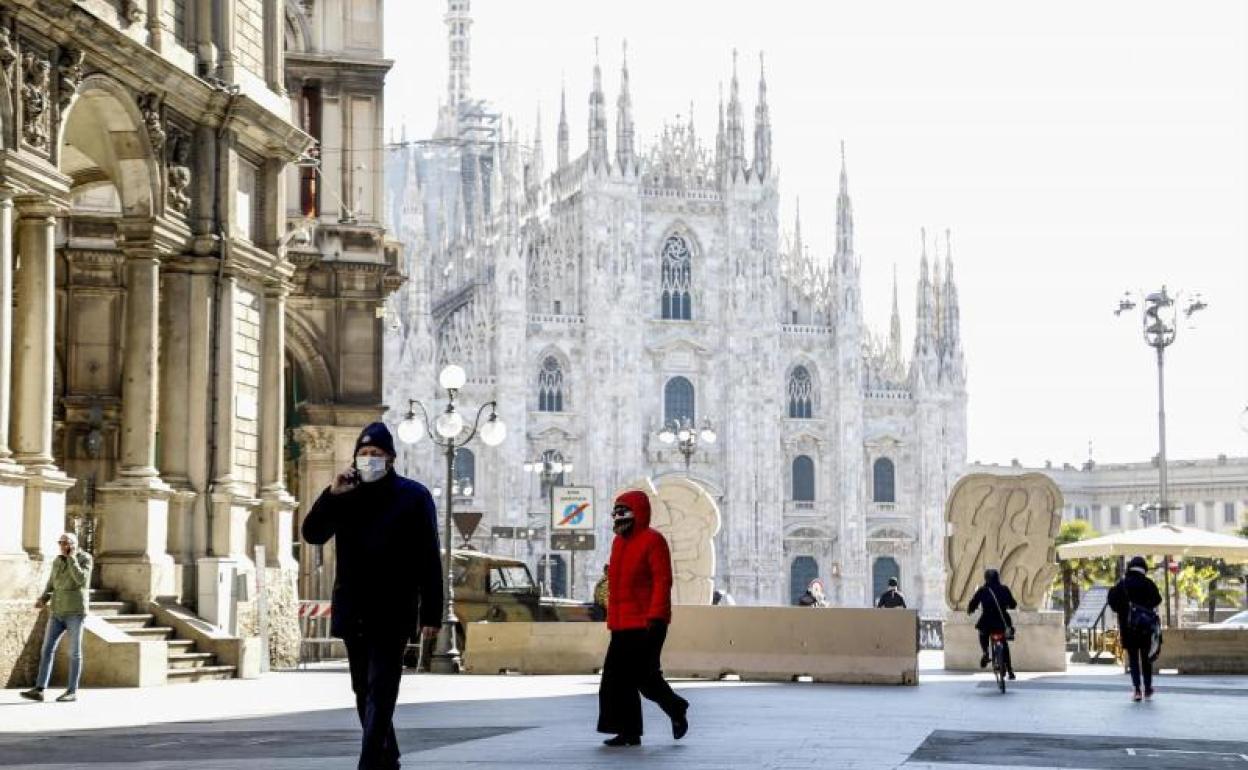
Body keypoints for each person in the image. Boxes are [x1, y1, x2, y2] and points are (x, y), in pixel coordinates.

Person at [302, 422, 444, 770]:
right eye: (363, 454)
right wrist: (330, 495)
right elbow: (312, 534)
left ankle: (369, 763)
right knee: (361, 689)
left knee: (381, 689)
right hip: (354, 607)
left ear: (391, 459)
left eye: (376, 454)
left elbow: (429, 556)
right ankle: (388, 755)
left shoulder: (414, 496)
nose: (369, 459)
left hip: (393, 609)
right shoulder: (345, 495)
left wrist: (431, 613)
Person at [597, 490, 689, 747]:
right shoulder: (618, 543)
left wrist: (657, 617)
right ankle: (628, 731)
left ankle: (676, 708)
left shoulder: (653, 540)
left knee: (644, 677)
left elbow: (662, 581)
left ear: (638, 513)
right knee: (615, 681)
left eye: (623, 512)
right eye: (615, 512)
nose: (617, 517)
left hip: (647, 622)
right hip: (621, 623)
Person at [21, 533, 92, 703]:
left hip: (75, 612)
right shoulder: (57, 560)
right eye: (60, 542)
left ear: (73, 544)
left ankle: (72, 691)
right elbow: (51, 582)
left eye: (64, 543)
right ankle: (39, 689)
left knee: (74, 653)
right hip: (57, 611)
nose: (61, 545)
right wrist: (44, 598)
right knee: (47, 650)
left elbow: (81, 580)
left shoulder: (85, 558)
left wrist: (72, 558)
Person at [1107, 555, 1163, 702]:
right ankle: (1148, 688)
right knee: (1146, 658)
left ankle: (1137, 690)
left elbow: (1112, 603)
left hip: (1128, 627)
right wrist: (1146, 606)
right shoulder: (1148, 583)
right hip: (1145, 627)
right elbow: (1158, 599)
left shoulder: (1122, 584)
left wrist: (1124, 609)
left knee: (1133, 658)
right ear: (1144, 569)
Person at [967, 567, 1017, 680]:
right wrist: (1009, 605)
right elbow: (1013, 604)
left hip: (987, 620)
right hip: (1002, 620)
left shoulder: (983, 590)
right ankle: (1010, 670)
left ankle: (985, 652)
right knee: (1004, 642)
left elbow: (973, 603)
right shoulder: (1004, 589)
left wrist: (970, 610)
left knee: (982, 633)